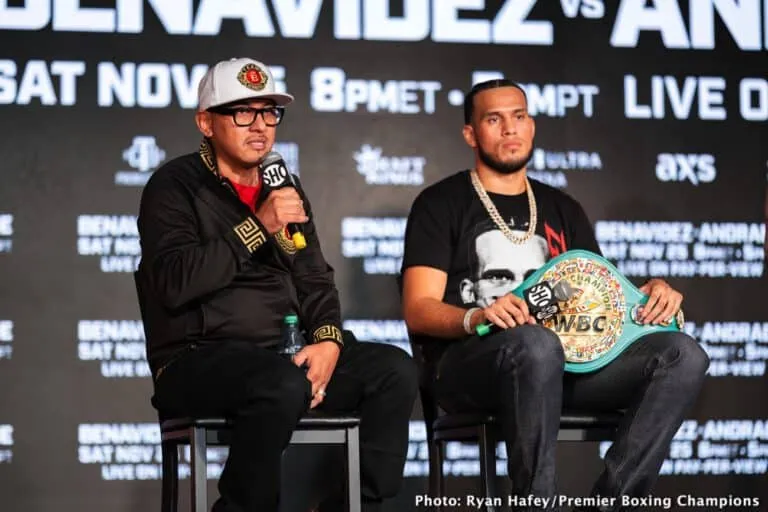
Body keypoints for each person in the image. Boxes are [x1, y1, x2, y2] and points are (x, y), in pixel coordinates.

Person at [400, 79, 709, 511]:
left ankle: (614, 501)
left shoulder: (563, 208)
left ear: (532, 125)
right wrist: (477, 316)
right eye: (494, 119)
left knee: (683, 354)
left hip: (569, 365)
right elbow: (418, 309)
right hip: (471, 368)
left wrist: (650, 296)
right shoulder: (441, 203)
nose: (510, 129)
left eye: (519, 116)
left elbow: (601, 300)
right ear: (471, 133)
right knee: (536, 343)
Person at [136, 57, 417, 512]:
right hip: (197, 361)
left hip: (285, 356)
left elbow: (313, 277)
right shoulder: (173, 186)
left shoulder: (282, 184)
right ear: (206, 122)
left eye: (269, 112)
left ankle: (354, 505)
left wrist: (327, 343)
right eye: (242, 112)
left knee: (393, 372)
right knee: (281, 384)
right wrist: (256, 226)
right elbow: (174, 283)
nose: (260, 126)